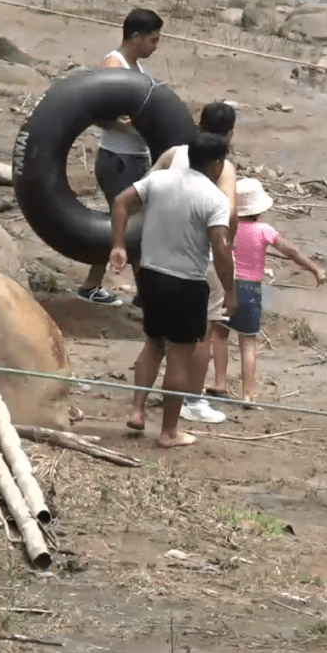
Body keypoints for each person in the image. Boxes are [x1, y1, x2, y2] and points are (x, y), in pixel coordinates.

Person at [107, 134, 235, 448]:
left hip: (150, 276)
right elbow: (220, 247)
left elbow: (121, 202)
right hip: (186, 283)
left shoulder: (159, 180)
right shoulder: (214, 198)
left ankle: (138, 410)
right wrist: (231, 291)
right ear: (217, 165)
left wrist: (119, 245)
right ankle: (168, 432)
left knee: (152, 345)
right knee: (178, 357)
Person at [143, 102, 240, 423]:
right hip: (204, 256)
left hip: (161, 253)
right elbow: (229, 213)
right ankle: (192, 400)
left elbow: (146, 187)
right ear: (230, 134)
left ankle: (147, 402)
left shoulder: (173, 154)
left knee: (156, 339)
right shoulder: (222, 166)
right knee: (204, 333)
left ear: (199, 126)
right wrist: (228, 246)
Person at [79, 8, 164, 307]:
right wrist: (117, 124)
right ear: (136, 36)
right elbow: (94, 111)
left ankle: (116, 289)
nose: (156, 46)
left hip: (132, 157)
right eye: (153, 40)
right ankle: (137, 294)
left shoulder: (135, 67)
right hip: (119, 159)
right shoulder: (114, 65)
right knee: (128, 225)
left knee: (129, 224)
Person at [220, 177, 325, 403]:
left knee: (219, 334)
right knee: (248, 341)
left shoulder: (228, 227)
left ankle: (219, 381)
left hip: (225, 284)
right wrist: (314, 268)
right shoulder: (263, 229)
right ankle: (247, 393)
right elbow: (291, 252)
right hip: (250, 288)